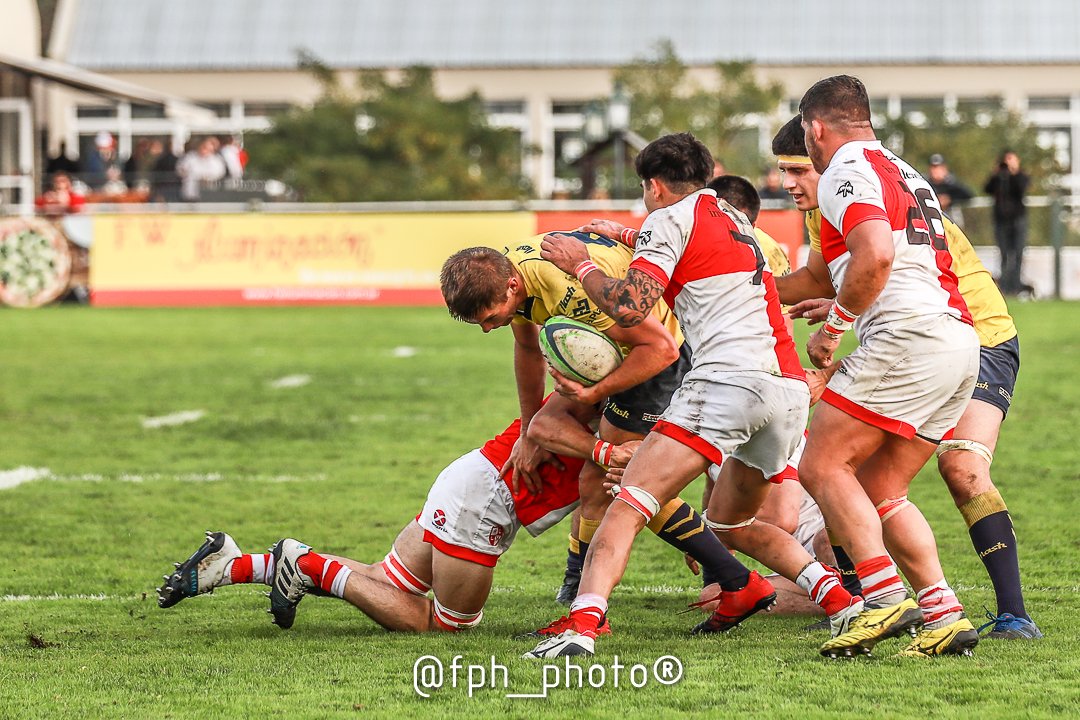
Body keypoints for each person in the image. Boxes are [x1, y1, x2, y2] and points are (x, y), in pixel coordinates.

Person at [526, 133, 860, 659]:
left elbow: (631, 305)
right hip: (787, 391)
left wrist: (581, 265)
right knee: (731, 523)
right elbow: (694, 249)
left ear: (654, 186)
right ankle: (845, 604)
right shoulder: (732, 216)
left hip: (727, 383)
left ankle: (581, 628)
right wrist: (625, 234)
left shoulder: (666, 219)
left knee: (628, 500)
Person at [770, 113, 1040, 641]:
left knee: (957, 468)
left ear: (824, 150)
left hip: (977, 332)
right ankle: (919, 606)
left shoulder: (855, 183)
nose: (789, 182)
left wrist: (837, 325)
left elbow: (888, 265)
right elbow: (820, 277)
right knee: (870, 480)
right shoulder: (837, 198)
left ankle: (1005, 612)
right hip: (932, 337)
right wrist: (735, 282)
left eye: (799, 168)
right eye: (783, 170)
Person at [440, 235, 761, 628]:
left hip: (661, 357)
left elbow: (660, 349)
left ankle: (726, 582)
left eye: (491, 318)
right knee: (552, 435)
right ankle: (725, 581)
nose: (489, 329)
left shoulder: (568, 291)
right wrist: (525, 433)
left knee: (620, 481)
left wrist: (593, 393)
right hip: (621, 350)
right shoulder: (507, 272)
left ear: (511, 286)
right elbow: (527, 349)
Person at [779, 75, 981, 659]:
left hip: (907, 338)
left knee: (820, 464)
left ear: (816, 128)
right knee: (881, 488)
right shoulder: (900, 168)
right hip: (955, 340)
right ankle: (944, 615)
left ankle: (884, 599)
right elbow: (836, 272)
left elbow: (877, 254)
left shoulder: (843, 169)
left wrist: (834, 329)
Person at [157, 399, 635, 633]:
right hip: (485, 501)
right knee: (445, 625)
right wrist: (608, 453)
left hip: (471, 478)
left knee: (387, 581)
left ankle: (236, 565)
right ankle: (305, 564)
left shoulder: (614, 375)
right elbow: (553, 428)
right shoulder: (627, 387)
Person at [984, 150, 1031, 296]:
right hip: (1001, 221)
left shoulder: (1021, 176)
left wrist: (1014, 172)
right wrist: (996, 174)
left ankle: (1016, 286)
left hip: (1018, 220)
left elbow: (1021, 188)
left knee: (1018, 253)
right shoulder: (999, 178)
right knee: (1004, 254)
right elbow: (987, 188)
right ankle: (1004, 287)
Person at [926, 154, 973, 226]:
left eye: (939, 168)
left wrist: (949, 199)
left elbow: (968, 195)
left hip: (952, 219)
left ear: (944, 169)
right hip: (931, 220)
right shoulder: (925, 183)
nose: (936, 171)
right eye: (934, 168)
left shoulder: (951, 183)